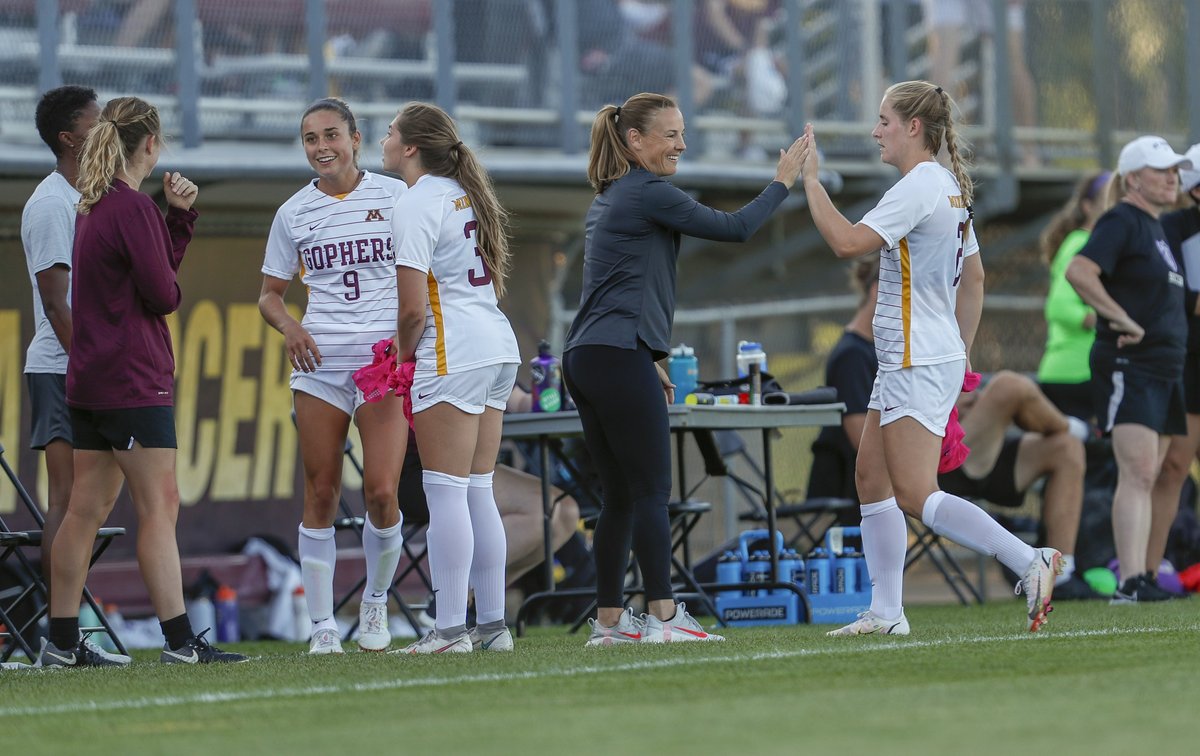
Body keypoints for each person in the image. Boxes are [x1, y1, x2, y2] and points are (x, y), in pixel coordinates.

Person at [796, 80, 1061, 636]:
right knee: (870, 476)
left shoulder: (920, 184)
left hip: (916, 358)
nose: (876, 132)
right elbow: (977, 279)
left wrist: (811, 181)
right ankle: (887, 612)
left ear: (914, 127)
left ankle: (1028, 559)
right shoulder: (943, 185)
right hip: (915, 357)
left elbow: (846, 243)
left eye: (884, 121)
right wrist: (960, 356)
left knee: (916, 494)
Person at [562, 91, 805, 647]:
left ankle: (609, 623)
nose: (681, 143)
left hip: (592, 357)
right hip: (615, 356)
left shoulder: (614, 195)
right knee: (650, 491)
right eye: (669, 134)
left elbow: (620, 288)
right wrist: (782, 181)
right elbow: (736, 228)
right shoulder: (648, 191)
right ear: (635, 141)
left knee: (620, 496)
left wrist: (651, 354)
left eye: (682, 132)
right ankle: (665, 617)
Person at [39, 96, 245, 667]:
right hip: (133, 380)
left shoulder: (94, 205)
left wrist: (176, 220)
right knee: (160, 506)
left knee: (85, 510)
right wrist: (173, 221)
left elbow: (145, 279)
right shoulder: (130, 208)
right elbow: (163, 295)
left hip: (92, 379)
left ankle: (59, 644)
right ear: (150, 144)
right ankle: (180, 641)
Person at [259, 98, 410, 654]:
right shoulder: (293, 212)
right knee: (320, 489)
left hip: (381, 363)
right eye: (309, 138)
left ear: (355, 138)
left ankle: (375, 603)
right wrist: (290, 327)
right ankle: (322, 625)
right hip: (320, 363)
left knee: (381, 491)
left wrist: (406, 335)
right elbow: (270, 295)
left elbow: (427, 277)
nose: (321, 147)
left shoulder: (396, 197)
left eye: (330, 135)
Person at [382, 101, 521, 654]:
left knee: (445, 494)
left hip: (452, 349)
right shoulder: (464, 193)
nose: (385, 139)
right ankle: (492, 627)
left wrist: (397, 358)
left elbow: (413, 310)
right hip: (494, 343)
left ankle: (448, 631)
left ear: (412, 147)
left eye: (391, 132)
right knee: (479, 491)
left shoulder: (415, 201)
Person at [1065, 135, 1193, 604]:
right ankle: (1130, 582)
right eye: (1162, 170)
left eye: (1175, 170)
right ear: (1133, 178)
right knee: (1137, 471)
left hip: (1164, 367)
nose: (1172, 177)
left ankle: (1140, 576)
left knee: (1152, 471)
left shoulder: (1157, 226)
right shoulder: (1121, 219)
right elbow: (1080, 271)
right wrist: (1117, 317)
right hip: (1130, 364)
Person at [21, 86, 100, 603]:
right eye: (97, 123)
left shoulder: (91, 195)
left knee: (91, 502)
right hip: (63, 367)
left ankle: (71, 626)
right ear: (69, 139)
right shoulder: (52, 203)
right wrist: (91, 368)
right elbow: (56, 303)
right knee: (67, 500)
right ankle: (62, 631)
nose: (107, 131)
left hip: (91, 366)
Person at [938, 372, 1101, 600]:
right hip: (936, 461)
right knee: (1009, 386)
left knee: (1067, 449)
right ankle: (1086, 432)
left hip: (977, 452)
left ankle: (1060, 577)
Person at [1147, 143, 1200, 591]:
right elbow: (1173, 295)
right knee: (1174, 466)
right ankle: (1149, 566)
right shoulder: (1172, 227)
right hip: (1189, 364)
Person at [1037, 170, 1112, 422]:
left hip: (1086, 372)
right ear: (1088, 206)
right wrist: (1111, 317)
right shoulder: (1083, 242)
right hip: (1076, 373)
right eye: (1108, 200)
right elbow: (1059, 305)